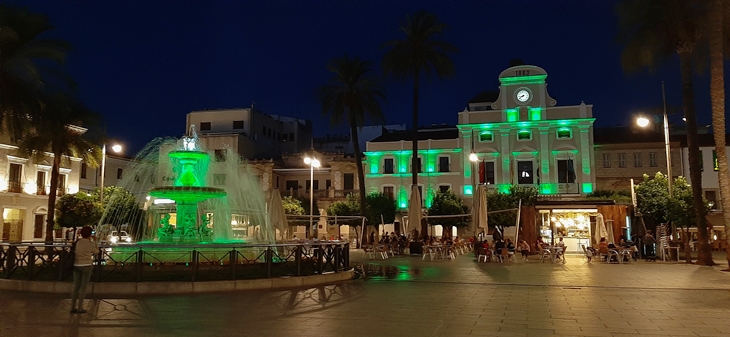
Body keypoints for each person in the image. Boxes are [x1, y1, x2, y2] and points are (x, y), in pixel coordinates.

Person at [70, 226, 99, 314]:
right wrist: (95, 241)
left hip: (76, 265)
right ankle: (80, 308)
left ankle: (72, 307)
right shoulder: (90, 243)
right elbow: (97, 251)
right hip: (86, 265)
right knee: (83, 287)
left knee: (76, 286)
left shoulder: (77, 242)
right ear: (90, 234)